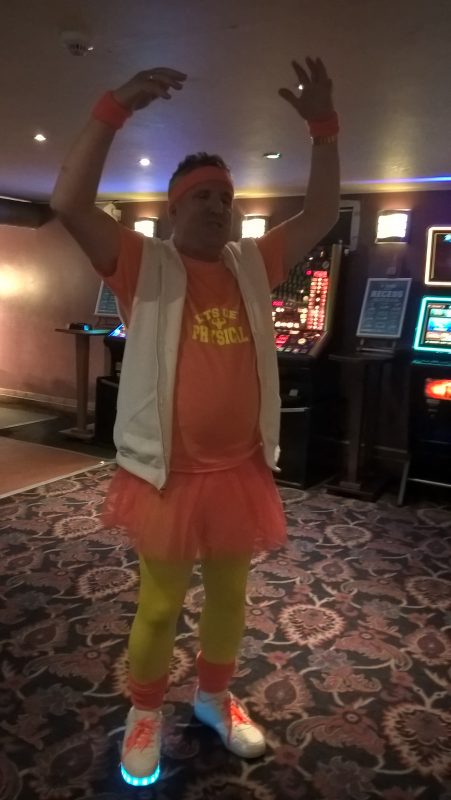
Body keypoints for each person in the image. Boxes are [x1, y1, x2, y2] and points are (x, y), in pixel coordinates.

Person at [51, 57, 340, 787]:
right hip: (169, 477)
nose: (219, 206)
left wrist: (322, 127)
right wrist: (112, 108)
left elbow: (323, 211)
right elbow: (68, 199)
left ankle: (213, 699)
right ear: (175, 208)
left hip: (238, 471)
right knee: (156, 608)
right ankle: (145, 711)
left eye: (227, 196)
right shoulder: (143, 264)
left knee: (231, 599)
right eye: (203, 196)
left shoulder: (250, 263)